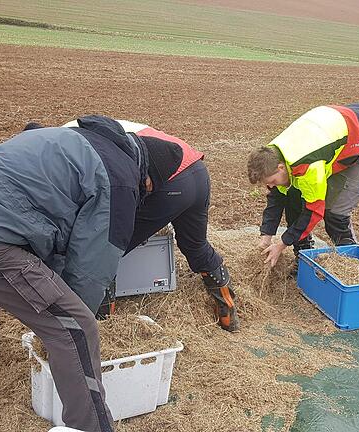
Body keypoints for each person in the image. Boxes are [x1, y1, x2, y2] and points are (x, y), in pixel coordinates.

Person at [0, 116, 149, 432]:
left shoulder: (66, 140)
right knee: (76, 328)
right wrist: (61, 320)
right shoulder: (120, 178)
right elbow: (87, 274)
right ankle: (90, 426)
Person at [52, 118, 239, 332]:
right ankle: (228, 314)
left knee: (105, 250)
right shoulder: (92, 129)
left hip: (166, 179)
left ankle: (102, 327)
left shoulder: (71, 144)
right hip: (196, 170)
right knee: (196, 246)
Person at [247, 104, 359, 268]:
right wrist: (266, 235)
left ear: (281, 168)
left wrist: (282, 243)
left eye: (272, 181)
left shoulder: (308, 168)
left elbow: (314, 211)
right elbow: (277, 197)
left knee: (334, 213)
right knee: (293, 197)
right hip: (330, 130)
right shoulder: (272, 155)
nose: (270, 186)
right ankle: (303, 257)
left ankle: (353, 267)